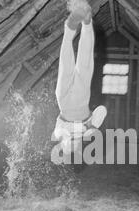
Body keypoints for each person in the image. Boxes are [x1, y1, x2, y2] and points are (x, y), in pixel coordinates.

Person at [51, 0, 107, 162]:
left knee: (68, 62)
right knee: (84, 62)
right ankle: (86, 22)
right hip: (79, 101)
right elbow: (102, 110)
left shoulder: (59, 134)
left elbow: (57, 135)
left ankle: (71, 27)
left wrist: (82, 128)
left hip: (65, 102)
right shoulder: (89, 131)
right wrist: (92, 126)